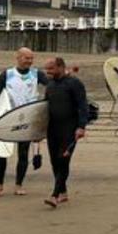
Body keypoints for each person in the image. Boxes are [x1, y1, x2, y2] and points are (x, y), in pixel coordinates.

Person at [0, 47, 47, 197]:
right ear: (18, 58)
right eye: (26, 58)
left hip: (29, 117)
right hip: (9, 116)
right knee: (2, 152)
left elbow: (52, 87)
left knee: (23, 153)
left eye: (31, 58)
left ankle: (19, 185)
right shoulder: (7, 74)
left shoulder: (37, 74)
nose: (29, 61)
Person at [41, 57, 90, 208]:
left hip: (70, 128)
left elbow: (83, 106)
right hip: (53, 128)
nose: (48, 72)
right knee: (54, 161)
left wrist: (81, 127)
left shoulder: (75, 84)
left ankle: (55, 195)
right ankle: (63, 192)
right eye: (46, 69)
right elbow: (43, 108)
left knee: (63, 160)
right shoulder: (50, 85)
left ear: (61, 67)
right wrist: (38, 130)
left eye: (51, 69)